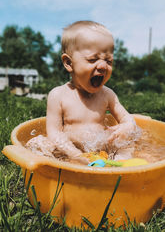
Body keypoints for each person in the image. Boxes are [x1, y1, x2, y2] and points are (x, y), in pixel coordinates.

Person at [46, 21, 139, 164]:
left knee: (127, 145)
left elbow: (128, 119)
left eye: (108, 61)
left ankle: (118, 166)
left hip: (102, 150)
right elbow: (54, 134)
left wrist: (127, 126)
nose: (103, 66)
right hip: (70, 151)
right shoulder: (58, 95)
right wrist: (76, 155)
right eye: (92, 59)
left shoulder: (107, 94)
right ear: (69, 63)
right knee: (39, 144)